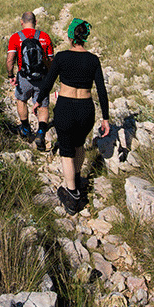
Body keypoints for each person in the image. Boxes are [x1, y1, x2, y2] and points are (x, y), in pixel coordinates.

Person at [38, 18, 110, 215]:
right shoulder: (93, 60)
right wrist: (105, 118)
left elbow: (48, 82)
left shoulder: (61, 58)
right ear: (84, 37)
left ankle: (72, 195)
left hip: (66, 107)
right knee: (79, 145)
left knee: (66, 152)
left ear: (70, 37)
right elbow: (102, 91)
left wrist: (39, 100)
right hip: (86, 108)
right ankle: (77, 179)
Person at [6, 10, 54, 150]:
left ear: (22, 23)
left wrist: (11, 75)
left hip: (24, 77)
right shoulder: (44, 36)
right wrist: (49, 76)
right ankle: (41, 132)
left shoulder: (16, 37)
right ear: (36, 22)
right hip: (42, 78)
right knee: (43, 106)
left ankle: (26, 128)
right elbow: (51, 60)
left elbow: (10, 60)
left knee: (21, 100)